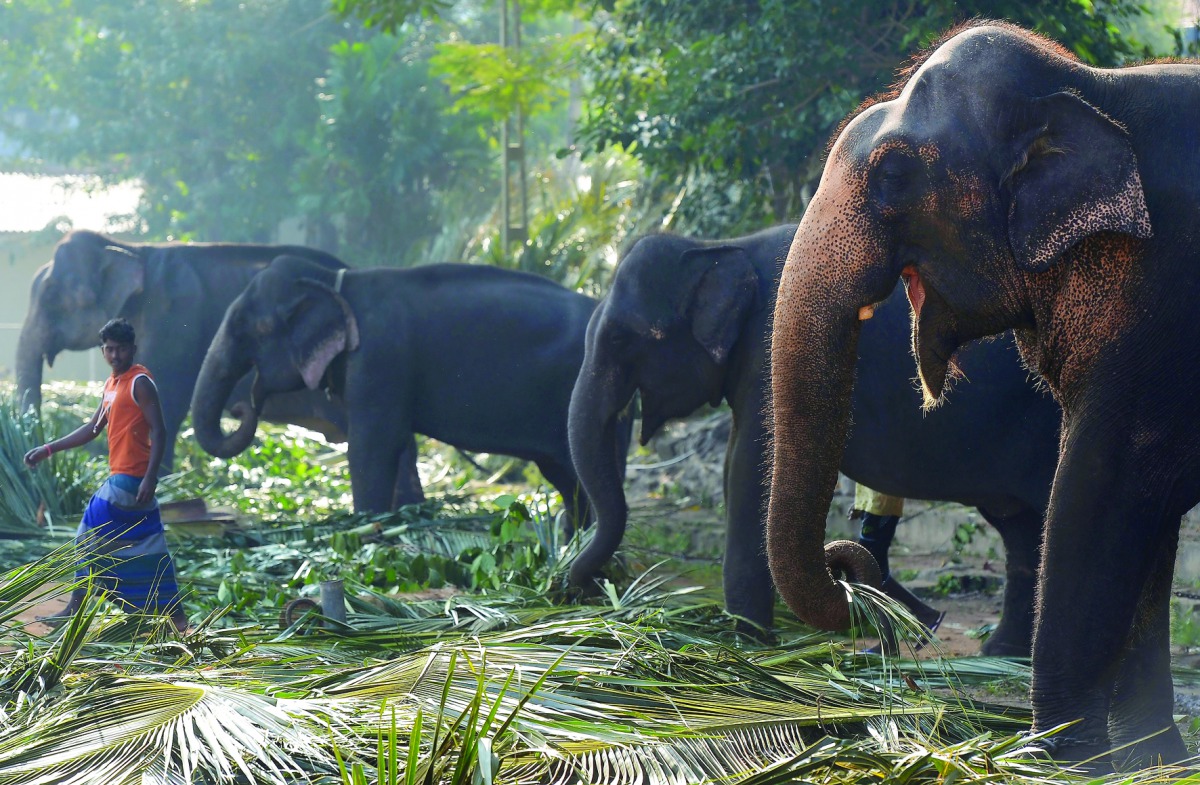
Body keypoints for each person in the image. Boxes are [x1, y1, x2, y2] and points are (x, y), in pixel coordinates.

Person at [25, 318, 187, 632]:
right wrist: (48, 449)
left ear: (133, 349)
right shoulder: (112, 385)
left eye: (121, 349)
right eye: (109, 349)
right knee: (151, 548)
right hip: (126, 480)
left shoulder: (140, 382)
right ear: (103, 351)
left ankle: (74, 610)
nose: (115, 355)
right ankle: (178, 619)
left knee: (87, 538)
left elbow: (160, 431)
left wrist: (151, 478)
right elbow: (93, 428)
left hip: (130, 481)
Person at [850, 484, 945, 634]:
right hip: (873, 504)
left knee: (867, 569)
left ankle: (923, 612)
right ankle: (892, 640)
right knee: (875, 573)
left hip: (881, 504)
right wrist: (860, 502)